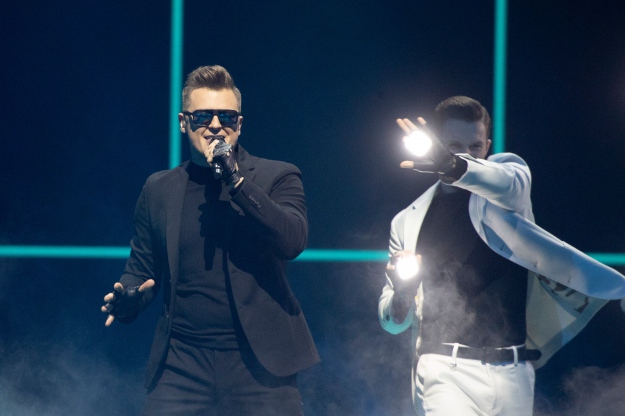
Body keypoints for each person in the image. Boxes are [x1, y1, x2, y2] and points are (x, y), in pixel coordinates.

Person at [378, 96, 625, 415]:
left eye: (474, 146)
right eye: (453, 146)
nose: (464, 155)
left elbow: (509, 180)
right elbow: (392, 322)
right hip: (444, 369)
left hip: (514, 373)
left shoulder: (507, 187)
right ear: (436, 145)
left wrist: (454, 166)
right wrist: (402, 292)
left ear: (487, 147)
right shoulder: (407, 221)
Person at [101, 65, 319, 415]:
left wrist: (236, 181)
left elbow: (293, 240)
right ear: (183, 122)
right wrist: (128, 298)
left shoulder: (278, 176)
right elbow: (142, 270)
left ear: (239, 124)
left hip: (260, 367)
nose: (215, 125)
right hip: (182, 363)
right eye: (203, 116)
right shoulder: (159, 188)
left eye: (226, 117)